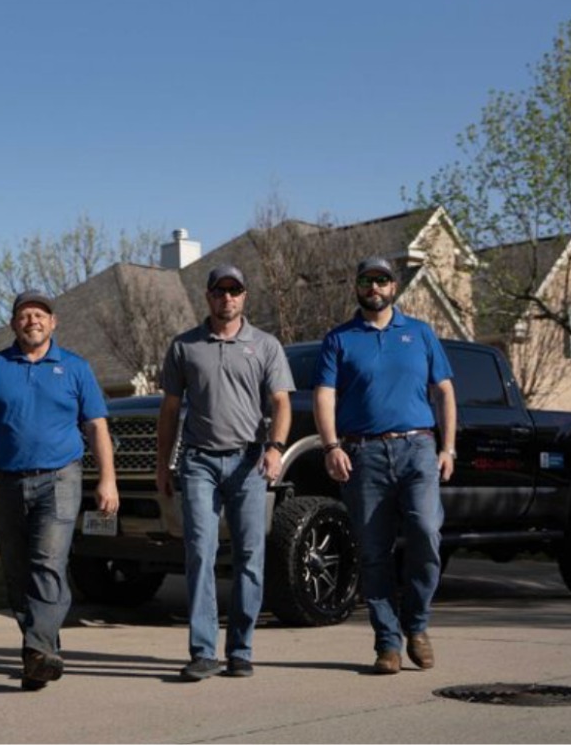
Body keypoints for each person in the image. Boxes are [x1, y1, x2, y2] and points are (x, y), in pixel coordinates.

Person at [0, 290, 118, 691]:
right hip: (5, 481)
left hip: (59, 478)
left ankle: (37, 650)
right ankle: (42, 651)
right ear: (14, 324)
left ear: (53, 322)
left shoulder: (75, 368)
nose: (33, 320)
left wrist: (108, 478)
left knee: (47, 563)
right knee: (17, 573)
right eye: (25, 315)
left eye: (40, 314)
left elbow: (96, 427)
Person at [313, 257, 457, 675]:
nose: (373, 287)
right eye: (366, 281)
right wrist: (330, 446)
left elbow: (444, 391)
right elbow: (325, 395)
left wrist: (448, 449)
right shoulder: (339, 339)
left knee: (426, 533)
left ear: (394, 286)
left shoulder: (420, 333)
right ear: (356, 288)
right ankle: (388, 643)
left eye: (381, 280)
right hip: (363, 456)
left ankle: (417, 625)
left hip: (417, 450)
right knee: (373, 552)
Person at [156, 264, 293, 682]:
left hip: (249, 462)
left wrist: (275, 449)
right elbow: (170, 410)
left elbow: (281, 403)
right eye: (220, 291)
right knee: (200, 551)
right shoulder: (185, 346)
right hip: (198, 462)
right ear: (209, 296)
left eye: (235, 291)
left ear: (244, 296)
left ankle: (240, 649)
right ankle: (202, 651)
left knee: (250, 554)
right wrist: (162, 464)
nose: (227, 298)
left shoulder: (266, 345)